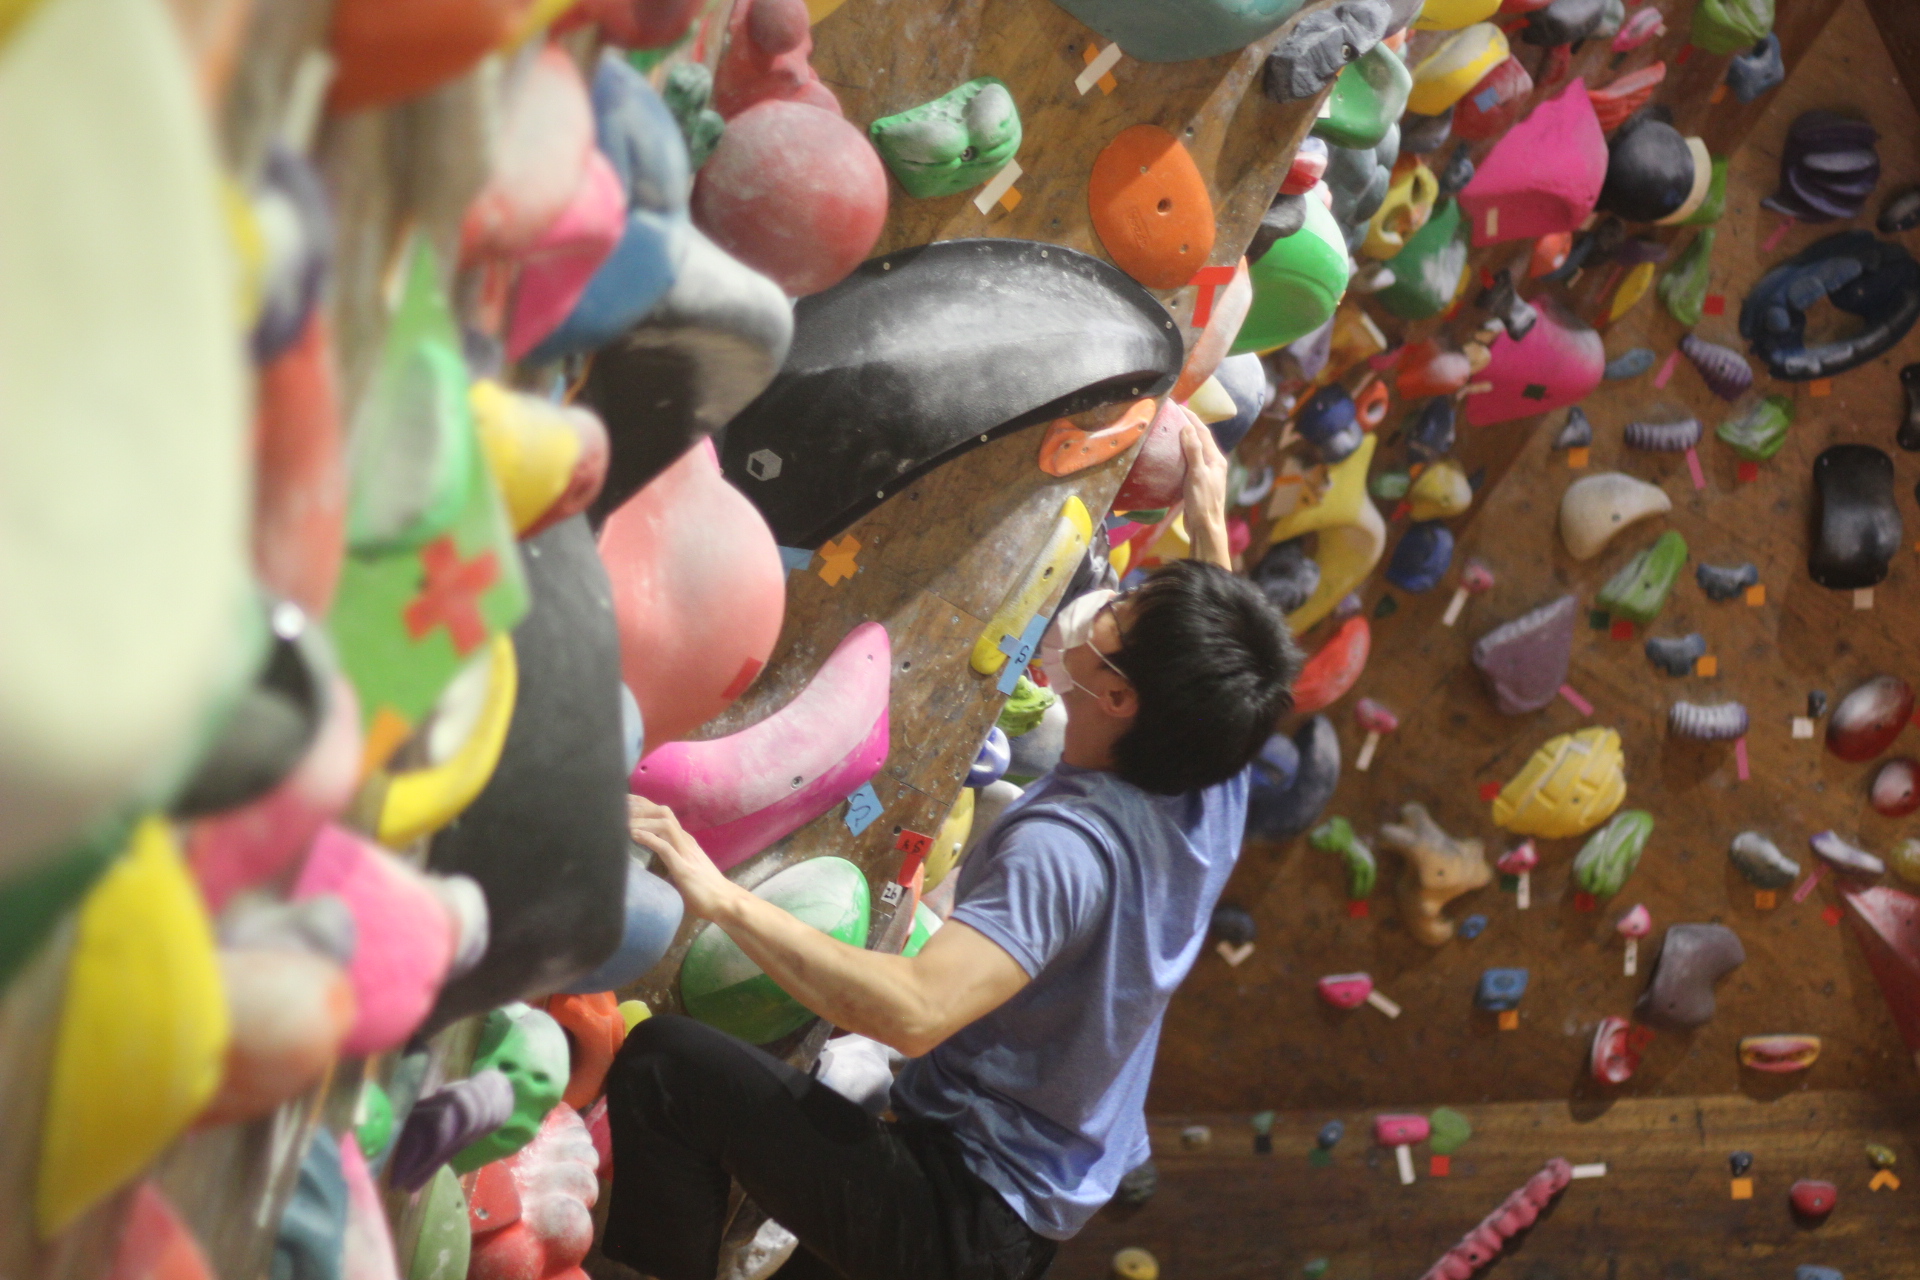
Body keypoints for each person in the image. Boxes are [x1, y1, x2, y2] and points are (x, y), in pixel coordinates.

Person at [603, 416, 1300, 1280]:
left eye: (1124, 610)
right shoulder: (1208, 776)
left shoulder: (1064, 851)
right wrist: (1206, 523)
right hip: (1025, 1198)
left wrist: (718, 896)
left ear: (1121, 698)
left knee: (666, 1069)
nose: (1111, 602)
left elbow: (914, 1011)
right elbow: (1220, 677)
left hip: (964, 1212)